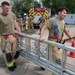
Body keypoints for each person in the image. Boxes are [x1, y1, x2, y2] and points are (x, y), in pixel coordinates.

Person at [0, 1, 21, 71]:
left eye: (8, 8)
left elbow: (15, 23)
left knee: (17, 52)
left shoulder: (11, 14)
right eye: (6, 8)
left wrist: (19, 31)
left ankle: (13, 61)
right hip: (4, 37)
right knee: (7, 54)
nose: (8, 10)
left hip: (13, 36)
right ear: (2, 7)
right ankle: (10, 65)